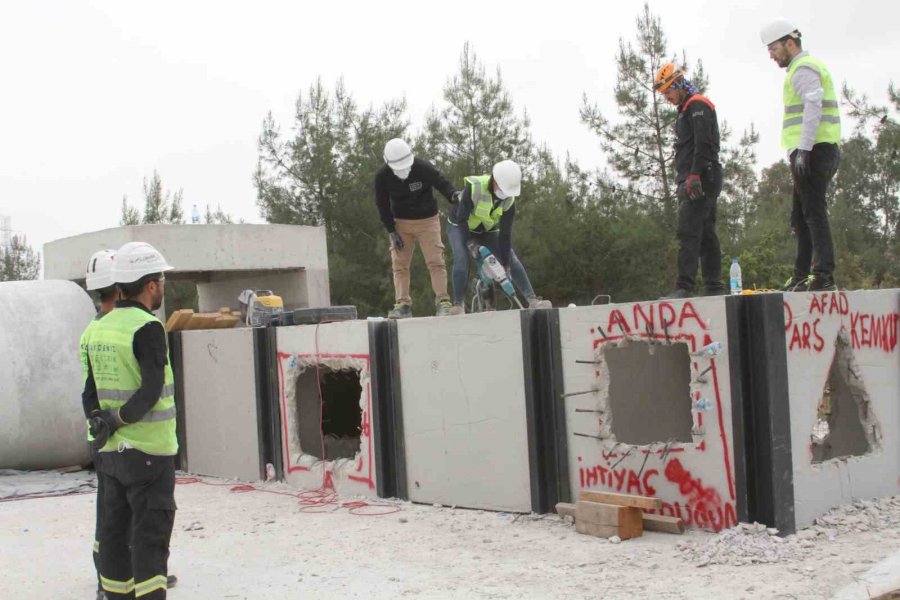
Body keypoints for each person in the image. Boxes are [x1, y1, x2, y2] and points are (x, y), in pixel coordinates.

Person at [84, 241, 177, 600]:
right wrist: (120, 418)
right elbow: (151, 389)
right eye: (162, 281)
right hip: (149, 452)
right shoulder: (147, 326)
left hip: (110, 453)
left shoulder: (99, 328)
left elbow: (89, 391)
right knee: (150, 536)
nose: (162, 287)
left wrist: (101, 422)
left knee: (114, 533)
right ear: (151, 285)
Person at [761, 19, 841, 292]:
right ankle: (801, 275)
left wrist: (804, 149)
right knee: (800, 215)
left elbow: (813, 106)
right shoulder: (800, 68)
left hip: (815, 149)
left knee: (814, 213)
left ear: (790, 43)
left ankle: (823, 275)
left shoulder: (803, 68)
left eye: (773, 48)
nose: (771, 55)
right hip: (813, 148)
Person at [653, 64, 726, 300]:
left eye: (668, 92)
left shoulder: (697, 104)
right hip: (697, 175)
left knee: (688, 230)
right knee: (706, 232)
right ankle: (714, 286)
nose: (667, 98)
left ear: (677, 85)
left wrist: (694, 176)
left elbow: (703, 143)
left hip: (702, 176)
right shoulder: (685, 108)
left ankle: (685, 286)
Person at [447, 159, 551, 313]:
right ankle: (458, 304)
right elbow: (462, 218)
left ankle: (532, 299)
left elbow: (505, 234)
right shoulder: (475, 188)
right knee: (461, 258)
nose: (505, 194)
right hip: (460, 226)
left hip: (487, 230)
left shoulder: (509, 200)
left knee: (511, 257)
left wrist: (506, 264)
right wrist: (470, 243)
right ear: (494, 181)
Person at [375, 138, 458, 318]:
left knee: (436, 261)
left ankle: (443, 302)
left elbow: (441, 182)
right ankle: (403, 304)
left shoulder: (422, 167)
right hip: (401, 223)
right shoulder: (382, 177)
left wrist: (453, 195)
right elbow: (382, 205)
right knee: (400, 265)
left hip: (428, 221)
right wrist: (391, 230)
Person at [81, 249, 118, 600]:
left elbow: (87, 390)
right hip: (115, 433)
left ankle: (109, 573)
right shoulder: (111, 330)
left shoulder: (92, 328)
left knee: (109, 503)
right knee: (116, 507)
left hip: (99, 430)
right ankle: (112, 578)